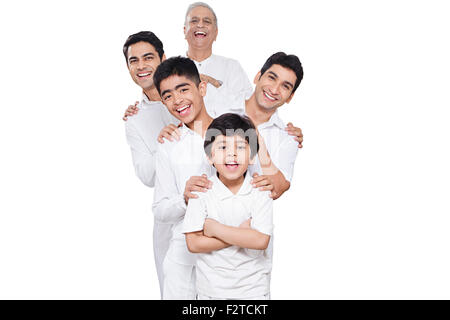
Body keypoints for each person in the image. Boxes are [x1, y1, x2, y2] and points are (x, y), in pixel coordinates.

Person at [183, 113, 273, 300]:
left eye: (240, 147)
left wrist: (215, 229)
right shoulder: (200, 191)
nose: (231, 153)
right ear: (209, 157)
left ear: (252, 157)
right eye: (223, 147)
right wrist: (242, 234)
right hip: (211, 292)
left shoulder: (260, 190)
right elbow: (194, 243)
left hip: (253, 292)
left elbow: (261, 241)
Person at [151, 56, 217, 299]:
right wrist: (185, 199)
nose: (177, 100)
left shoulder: (237, 132)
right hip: (183, 259)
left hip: (230, 259)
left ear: (201, 88)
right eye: (167, 95)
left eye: (183, 89)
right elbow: (159, 209)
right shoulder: (168, 144)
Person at [122, 31, 179, 298]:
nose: (141, 66)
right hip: (169, 220)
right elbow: (146, 175)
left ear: (163, 58)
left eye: (148, 57)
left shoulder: (193, 94)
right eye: (134, 60)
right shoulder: (135, 119)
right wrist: (163, 143)